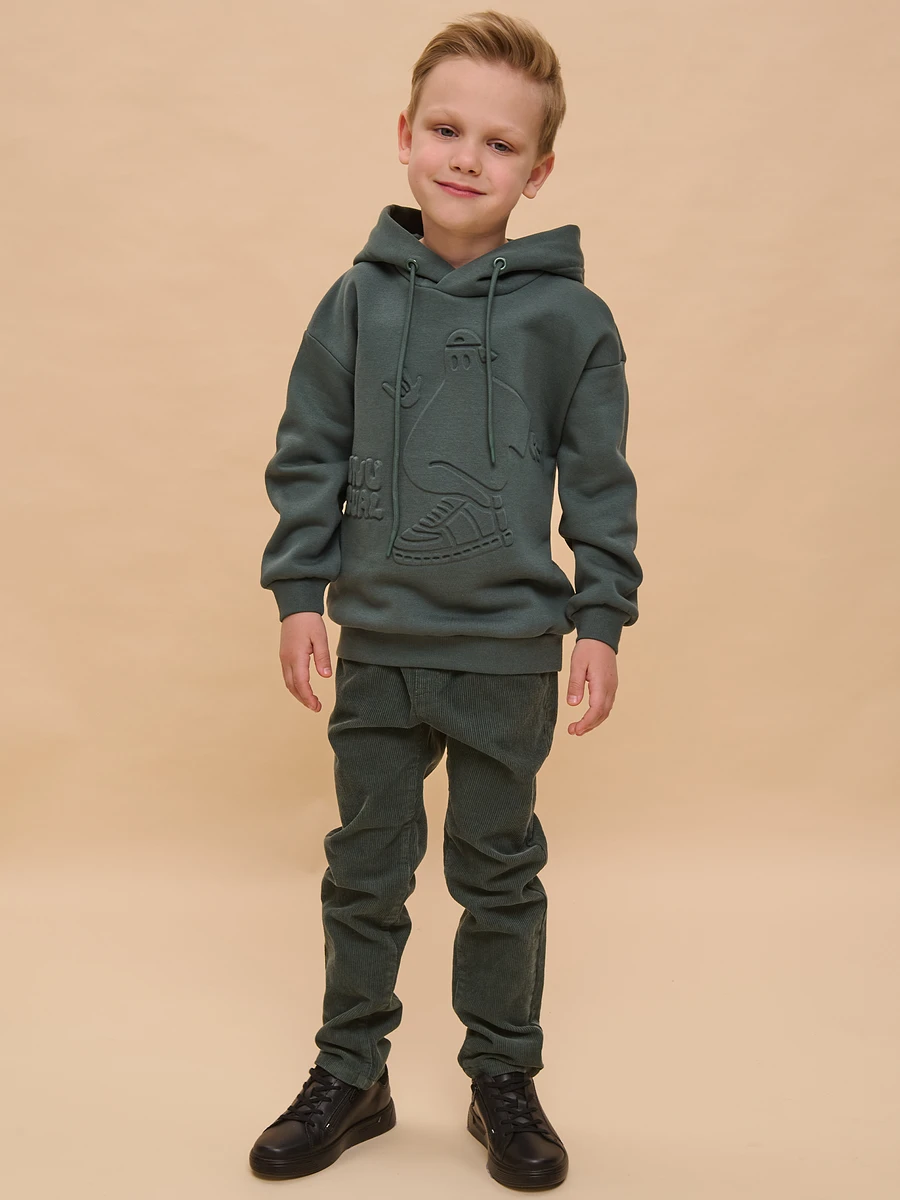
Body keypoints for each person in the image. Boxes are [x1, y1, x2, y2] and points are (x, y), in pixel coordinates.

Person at [248, 9, 642, 1189]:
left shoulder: (573, 322)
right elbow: (308, 450)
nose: (468, 158)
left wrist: (601, 617)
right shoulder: (355, 301)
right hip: (378, 643)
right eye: (447, 129)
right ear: (406, 134)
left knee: (498, 873)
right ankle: (350, 1073)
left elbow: (601, 482)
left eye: (501, 143)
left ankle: (502, 1078)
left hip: (508, 651)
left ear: (540, 169)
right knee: (364, 867)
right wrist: (299, 591)